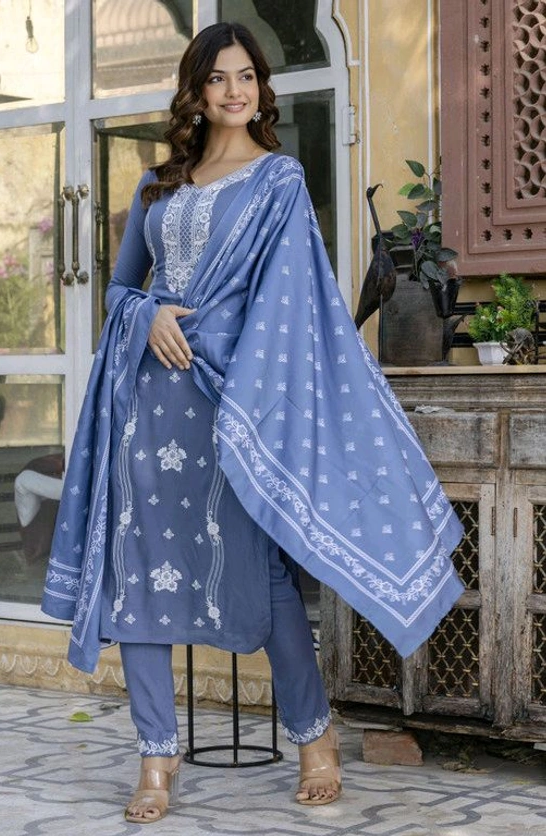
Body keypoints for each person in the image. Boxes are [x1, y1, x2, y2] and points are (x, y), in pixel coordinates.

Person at [42, 22, 464, 825]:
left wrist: (229, 364)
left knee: (265, 579)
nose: (235, 91)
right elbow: (120, 290)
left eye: (247, 76)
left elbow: (294, 304)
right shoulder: (157, 186)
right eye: (219, 78)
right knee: (138, 580)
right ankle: (156, 757)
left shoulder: (279, 181)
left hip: (232, 405)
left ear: (261, 89)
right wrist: (147, 313)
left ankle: (314, 738)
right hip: (148, 410)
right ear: (196, 92)